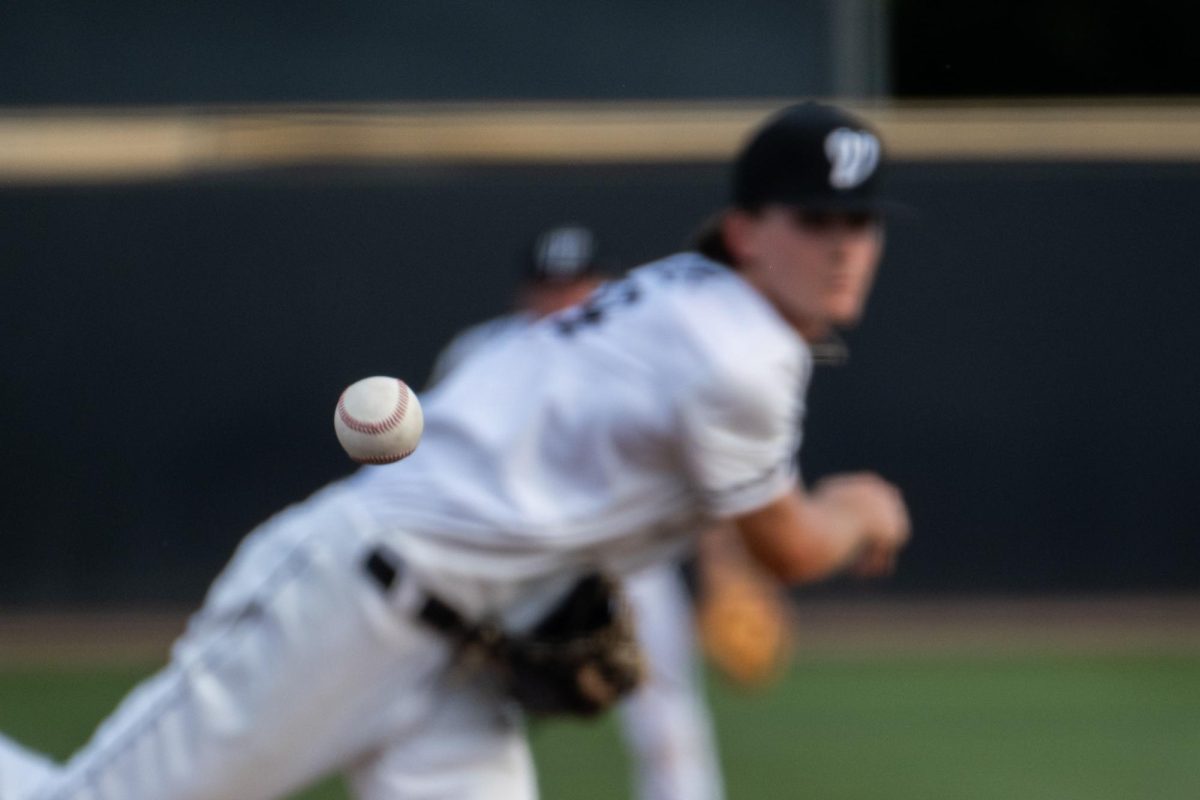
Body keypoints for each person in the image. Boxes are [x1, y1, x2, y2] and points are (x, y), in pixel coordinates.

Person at [0, 101, 910, 800]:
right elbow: (787, 544)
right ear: (749, 231)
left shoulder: (681, 294)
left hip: (463, 661)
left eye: (859, 224)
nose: (842, 250)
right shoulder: (742, 351)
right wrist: (859, 512)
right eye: (813, 222)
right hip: (351, 604)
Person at [427, 223, 733, 800]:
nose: (563, 302)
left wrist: (728, 572)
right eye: (549, 288)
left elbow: (704, 470)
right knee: (467, 718)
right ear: (524, 296)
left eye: (578, 287)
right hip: (509, 563)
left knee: (668, 718)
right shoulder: (481, 354)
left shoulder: (647, 361)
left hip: (625, 562)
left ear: (607, 291)